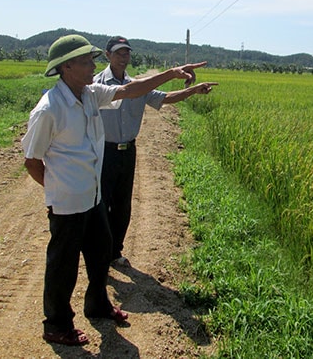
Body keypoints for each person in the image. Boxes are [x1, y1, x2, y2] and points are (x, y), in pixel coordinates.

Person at [21, 34, 216, 346]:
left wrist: (172, 73)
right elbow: (31, 160)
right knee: (63, 265)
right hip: (68, 202)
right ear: (68, 66)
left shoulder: (89, 94)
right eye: (86, 61)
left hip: (92, 196)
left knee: (101, 253)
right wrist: (58, 188)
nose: (93, 66)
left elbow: (129, 90)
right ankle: (56, 324)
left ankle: (97, 304)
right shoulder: (50, 108)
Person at [94, 36, 216, 267]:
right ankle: (98, 253)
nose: (123, 57)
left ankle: (114, 252)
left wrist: (193, 91)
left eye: (126, 53)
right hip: (103, 152)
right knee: (100, 204)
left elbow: (164, 98)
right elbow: (128, 92)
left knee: (122, 205)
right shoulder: (96, 84)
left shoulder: (140, 86)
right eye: (118, 52)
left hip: (127, 151)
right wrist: (171, 72)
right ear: (107, 55)